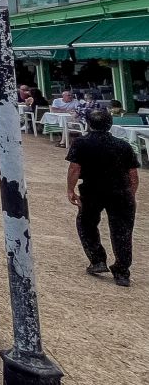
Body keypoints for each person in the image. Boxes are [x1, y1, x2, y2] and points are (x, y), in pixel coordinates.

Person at [66, 109, 138, 287]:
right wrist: (130, 194)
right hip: (120, 192)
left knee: (86, 223)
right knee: (122, 232)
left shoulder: (81, 143)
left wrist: (70, 190)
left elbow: (75, 169)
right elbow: (133, 174)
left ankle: (97, 259)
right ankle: (122, 271)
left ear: (89, 124)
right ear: (110, 124)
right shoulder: (123, 145)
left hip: (93, 190)